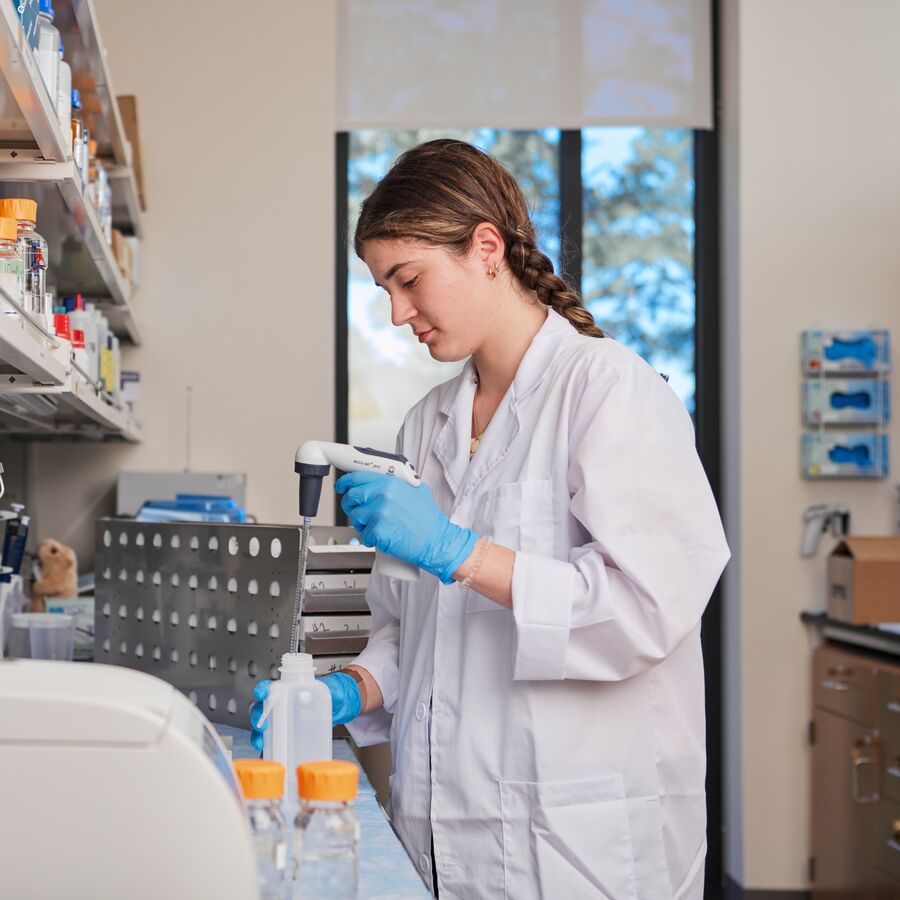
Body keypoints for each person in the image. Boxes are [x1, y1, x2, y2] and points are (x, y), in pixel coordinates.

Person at [253, 138, 729, 899]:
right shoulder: (425, 426)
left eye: (409, 280)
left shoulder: (612, 393)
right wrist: (350, 689)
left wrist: (459, 552)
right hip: (443, 831)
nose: (398, 313)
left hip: (581, 845)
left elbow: (648, 608)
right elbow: (413, 631)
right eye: (383, 289)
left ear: (485, 248)